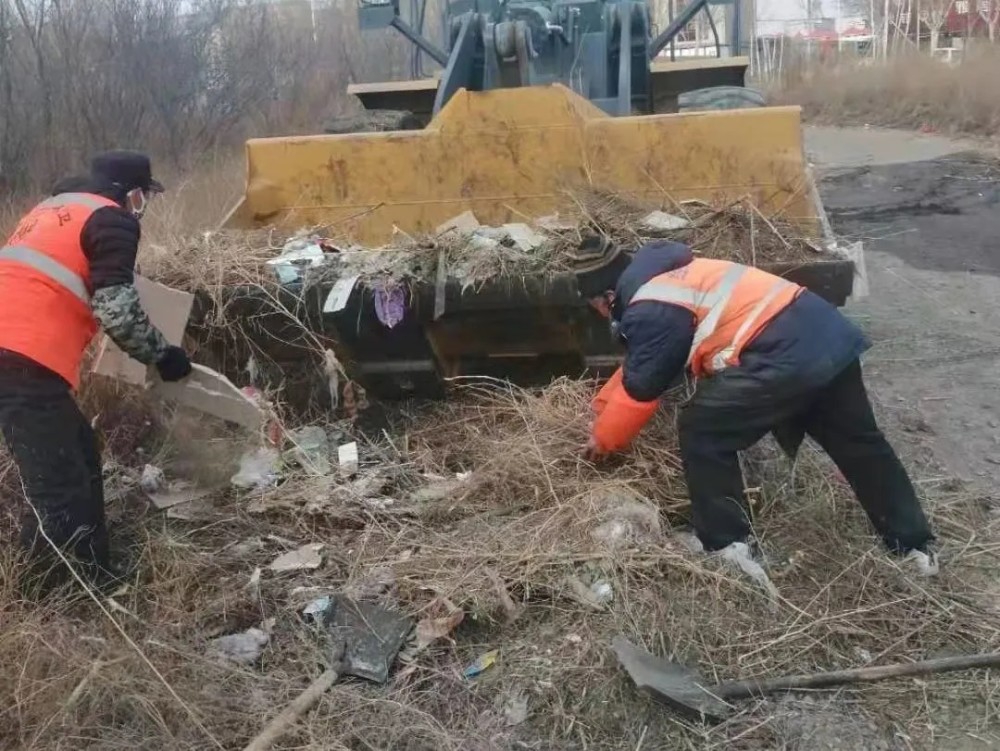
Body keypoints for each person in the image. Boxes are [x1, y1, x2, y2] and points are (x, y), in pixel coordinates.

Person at [575, 237, 938, 575]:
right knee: (859, 442)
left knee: (703, 431)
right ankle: (913, 546)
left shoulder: (649, 304)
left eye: (596, 307)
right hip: (825, 334)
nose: (602, 316)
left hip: (781, 353)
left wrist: (604, 441)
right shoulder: (675, 276)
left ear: (607, 296)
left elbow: (642, 387)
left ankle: (725, 545)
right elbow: (641, 364)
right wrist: (601, 406)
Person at [0, 151, 192, 585]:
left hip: (18, 356)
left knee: (81, 454)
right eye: (142, 198)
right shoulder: (112, 220)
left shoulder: (53, 209)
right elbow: (118, 311)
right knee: (59, 482)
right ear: (130, 194)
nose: (140, 209)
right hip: (18, 357)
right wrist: (165, 356)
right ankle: (51, 593)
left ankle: (93, 570)